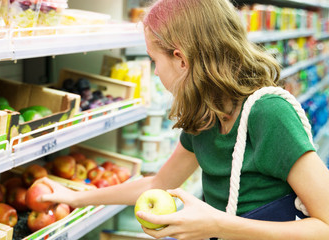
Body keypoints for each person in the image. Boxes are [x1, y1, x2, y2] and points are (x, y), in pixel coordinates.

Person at [38, 0, 329, 239]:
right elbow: (157, 185)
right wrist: (76, 198)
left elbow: (325, 225)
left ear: (181, 59)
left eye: (154, 60)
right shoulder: (205, 115)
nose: (154, 72)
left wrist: (217, 226)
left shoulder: (269, 113)